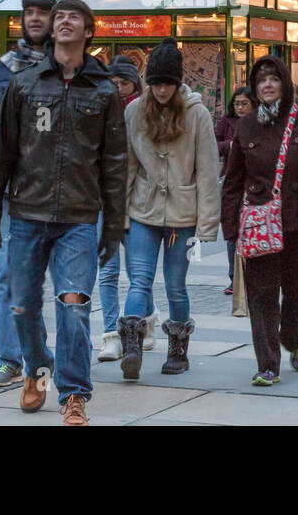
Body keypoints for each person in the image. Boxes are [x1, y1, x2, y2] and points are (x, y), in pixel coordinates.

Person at [0, 0, 128, 426]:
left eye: (73, 17)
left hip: (79, 219)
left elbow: (116, 164)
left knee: (74, 305)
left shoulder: (102, 91)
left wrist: (113, 226)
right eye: (59, 16)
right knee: (22, 305)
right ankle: (38, 369)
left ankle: (74, 394)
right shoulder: (24, 84)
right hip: (26, 214)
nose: (62, 22)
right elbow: (1, 152)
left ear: (88, 31)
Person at [221, 55, 298, 386]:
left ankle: (295, 339)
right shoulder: (247, 125)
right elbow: (233, 179)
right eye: (261, 81)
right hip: (259, 224)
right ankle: (267, 364)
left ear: (284, 84)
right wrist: (230, 226)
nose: (267, 85)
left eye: (273, 79)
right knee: (262, 295)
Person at [116, 38, 221, 378]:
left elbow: (207, 171)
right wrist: (119, 215)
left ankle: (177, 349)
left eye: (168, 83)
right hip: (142, 210)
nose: (161, 90)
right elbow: (128, 165)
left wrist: (207, 226)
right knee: (139, 282)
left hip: (183, 216)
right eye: (156, 83)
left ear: (177, 83)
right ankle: (131, 347)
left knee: (176, 284)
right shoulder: (134, 111)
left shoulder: (197, 114)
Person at [0, 0, 53, 389]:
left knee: (65, 284)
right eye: (29, 13)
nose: (34, 19)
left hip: (58, 191)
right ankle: (7, 358)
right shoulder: (4, 68)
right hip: (11, 190)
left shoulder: (70, 66)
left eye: (42, 13)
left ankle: (58, 359)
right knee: (5, 276)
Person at [96, 56, 146, 362]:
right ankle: (111, 336)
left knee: (140, 272)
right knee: (108, 271)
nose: (117, 88)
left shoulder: (143, 112)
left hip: (139, 201)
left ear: (134, 84)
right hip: (104, 200)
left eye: (123, 83)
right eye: (112, 83)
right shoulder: (98, 110)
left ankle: (141, 325)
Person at [217, 87, 253, 295]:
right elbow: (214, 143)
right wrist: (230, 145)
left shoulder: (259, 123)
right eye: (237, 103)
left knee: (251, 230)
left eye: (244, 103)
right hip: (231, 182)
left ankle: (252, 277)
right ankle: (235, 278)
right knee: (232, 232)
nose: (240, 107)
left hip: (254, 183)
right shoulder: (227, 121)